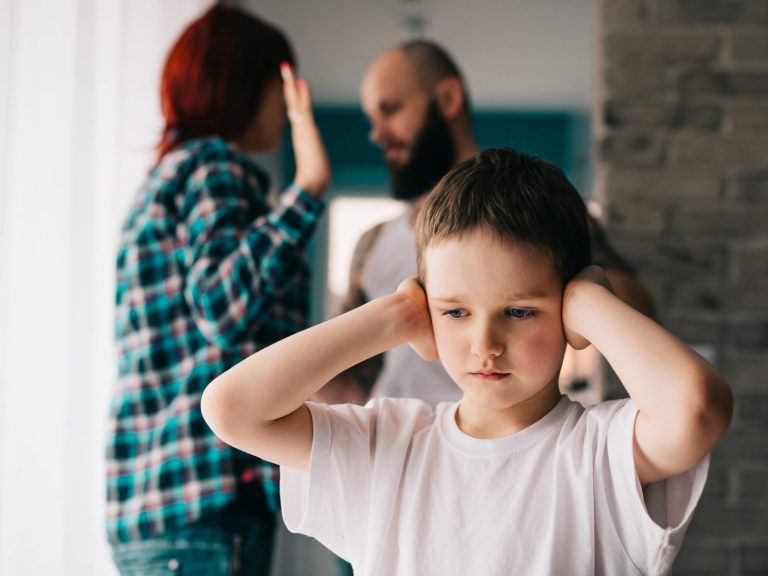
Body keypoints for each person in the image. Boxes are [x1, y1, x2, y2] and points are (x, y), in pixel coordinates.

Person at [201, 148, 732, 575]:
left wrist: (591, 302)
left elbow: (698, 407)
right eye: (454, 311)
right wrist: (394, 315)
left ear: (568, 312)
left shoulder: (599, 452)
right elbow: (231, 409)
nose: (486, 343)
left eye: (520, 311)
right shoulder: (388, 446)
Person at [106, 4, 329, 575]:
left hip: (156, 507)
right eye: (281, 84)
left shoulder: (163, 181)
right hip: (206, 500)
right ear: (244, 85)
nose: (286, 106)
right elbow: (221, 306)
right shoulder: (212, 167)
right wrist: (308, 188)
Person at [323, 40, 655, 407]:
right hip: (400, 447)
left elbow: (638, 310)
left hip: (498, 440)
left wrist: (573, 294)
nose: (376, 133)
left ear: (448, 99)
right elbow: (347, 379)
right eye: (372, 119)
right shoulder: (373, 243)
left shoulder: (536, 212)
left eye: (391, 110)